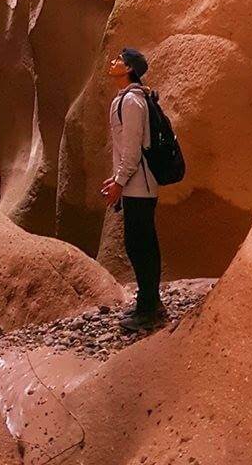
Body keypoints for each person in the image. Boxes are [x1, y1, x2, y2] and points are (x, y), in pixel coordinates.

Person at [101, 47, 166, 332]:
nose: (112, 62)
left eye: (118, 59)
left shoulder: (131, 102)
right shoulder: (128, 100)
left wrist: (119, 181)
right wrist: (117, 178)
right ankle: (149, 303)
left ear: (128, 69)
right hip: (136, 183)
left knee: (140, 245)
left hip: (140, 185)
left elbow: (132, 149)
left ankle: (149, 308)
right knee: (140, 244)